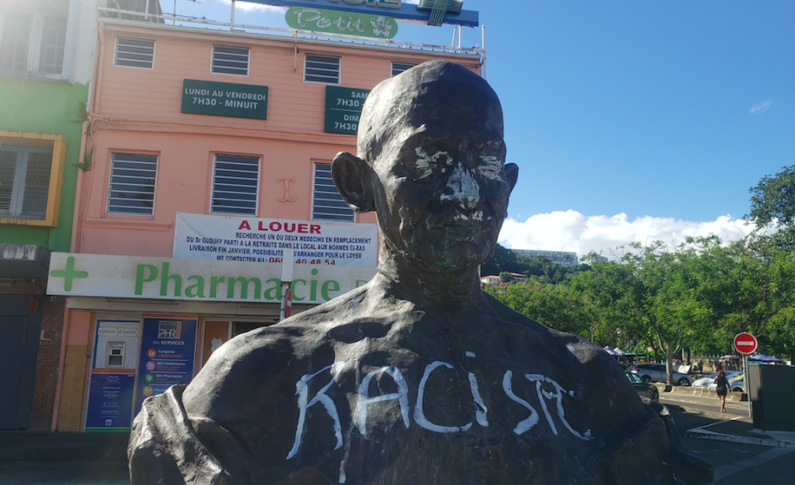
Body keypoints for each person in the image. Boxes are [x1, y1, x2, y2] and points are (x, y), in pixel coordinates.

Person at [128, 61, 713, 484]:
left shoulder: (587, 381)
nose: (465, 192)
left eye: (484, 161)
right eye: (429, 159)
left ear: (507, 185)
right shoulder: (259, 378)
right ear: (358, 183)